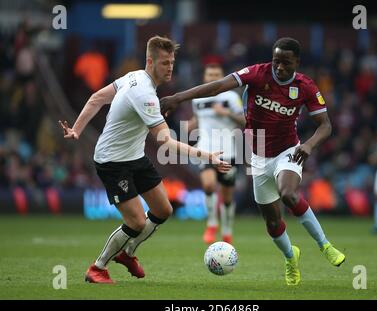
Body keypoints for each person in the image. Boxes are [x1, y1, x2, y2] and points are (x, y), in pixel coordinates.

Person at [161, 37, 346, 286]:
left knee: (288, 194)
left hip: (288, 151)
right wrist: (177, 97)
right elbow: (217, 87)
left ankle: (325, 245)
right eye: (276, 61)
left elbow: (325, 125)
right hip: (258, 156)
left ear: (297, 63)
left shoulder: (306, 87)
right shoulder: (258, 73)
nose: (279, 67)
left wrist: (309, 145)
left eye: (285, 63)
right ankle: (291, 257)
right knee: (272, 222)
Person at [59, 36, 231, 284]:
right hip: (112, 162)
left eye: (171, 62)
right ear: (150, 62)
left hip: (135, 156)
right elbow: (166, 142)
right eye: (164, 63)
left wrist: (76, 129)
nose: (170, 67)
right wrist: (208, 156)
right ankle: (97, 268)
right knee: (136, 221)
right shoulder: (145, 94)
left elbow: (97, 98)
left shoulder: (134, 76)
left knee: (163, 209)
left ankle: (127, 253)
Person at [186, 64, 245, 244]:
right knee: (209, 185)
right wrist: (189, 125)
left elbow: (244, 121)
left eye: (216, 75)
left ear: (222, 77)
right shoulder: (197, 99)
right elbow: (199, 118)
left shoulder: (231, 97)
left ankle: (227, 230)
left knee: (227, 197)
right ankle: (212, 224)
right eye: (209, 74)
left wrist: (226, 112)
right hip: (205, 149)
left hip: (228, 150)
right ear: (204, 78)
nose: (212, 78)